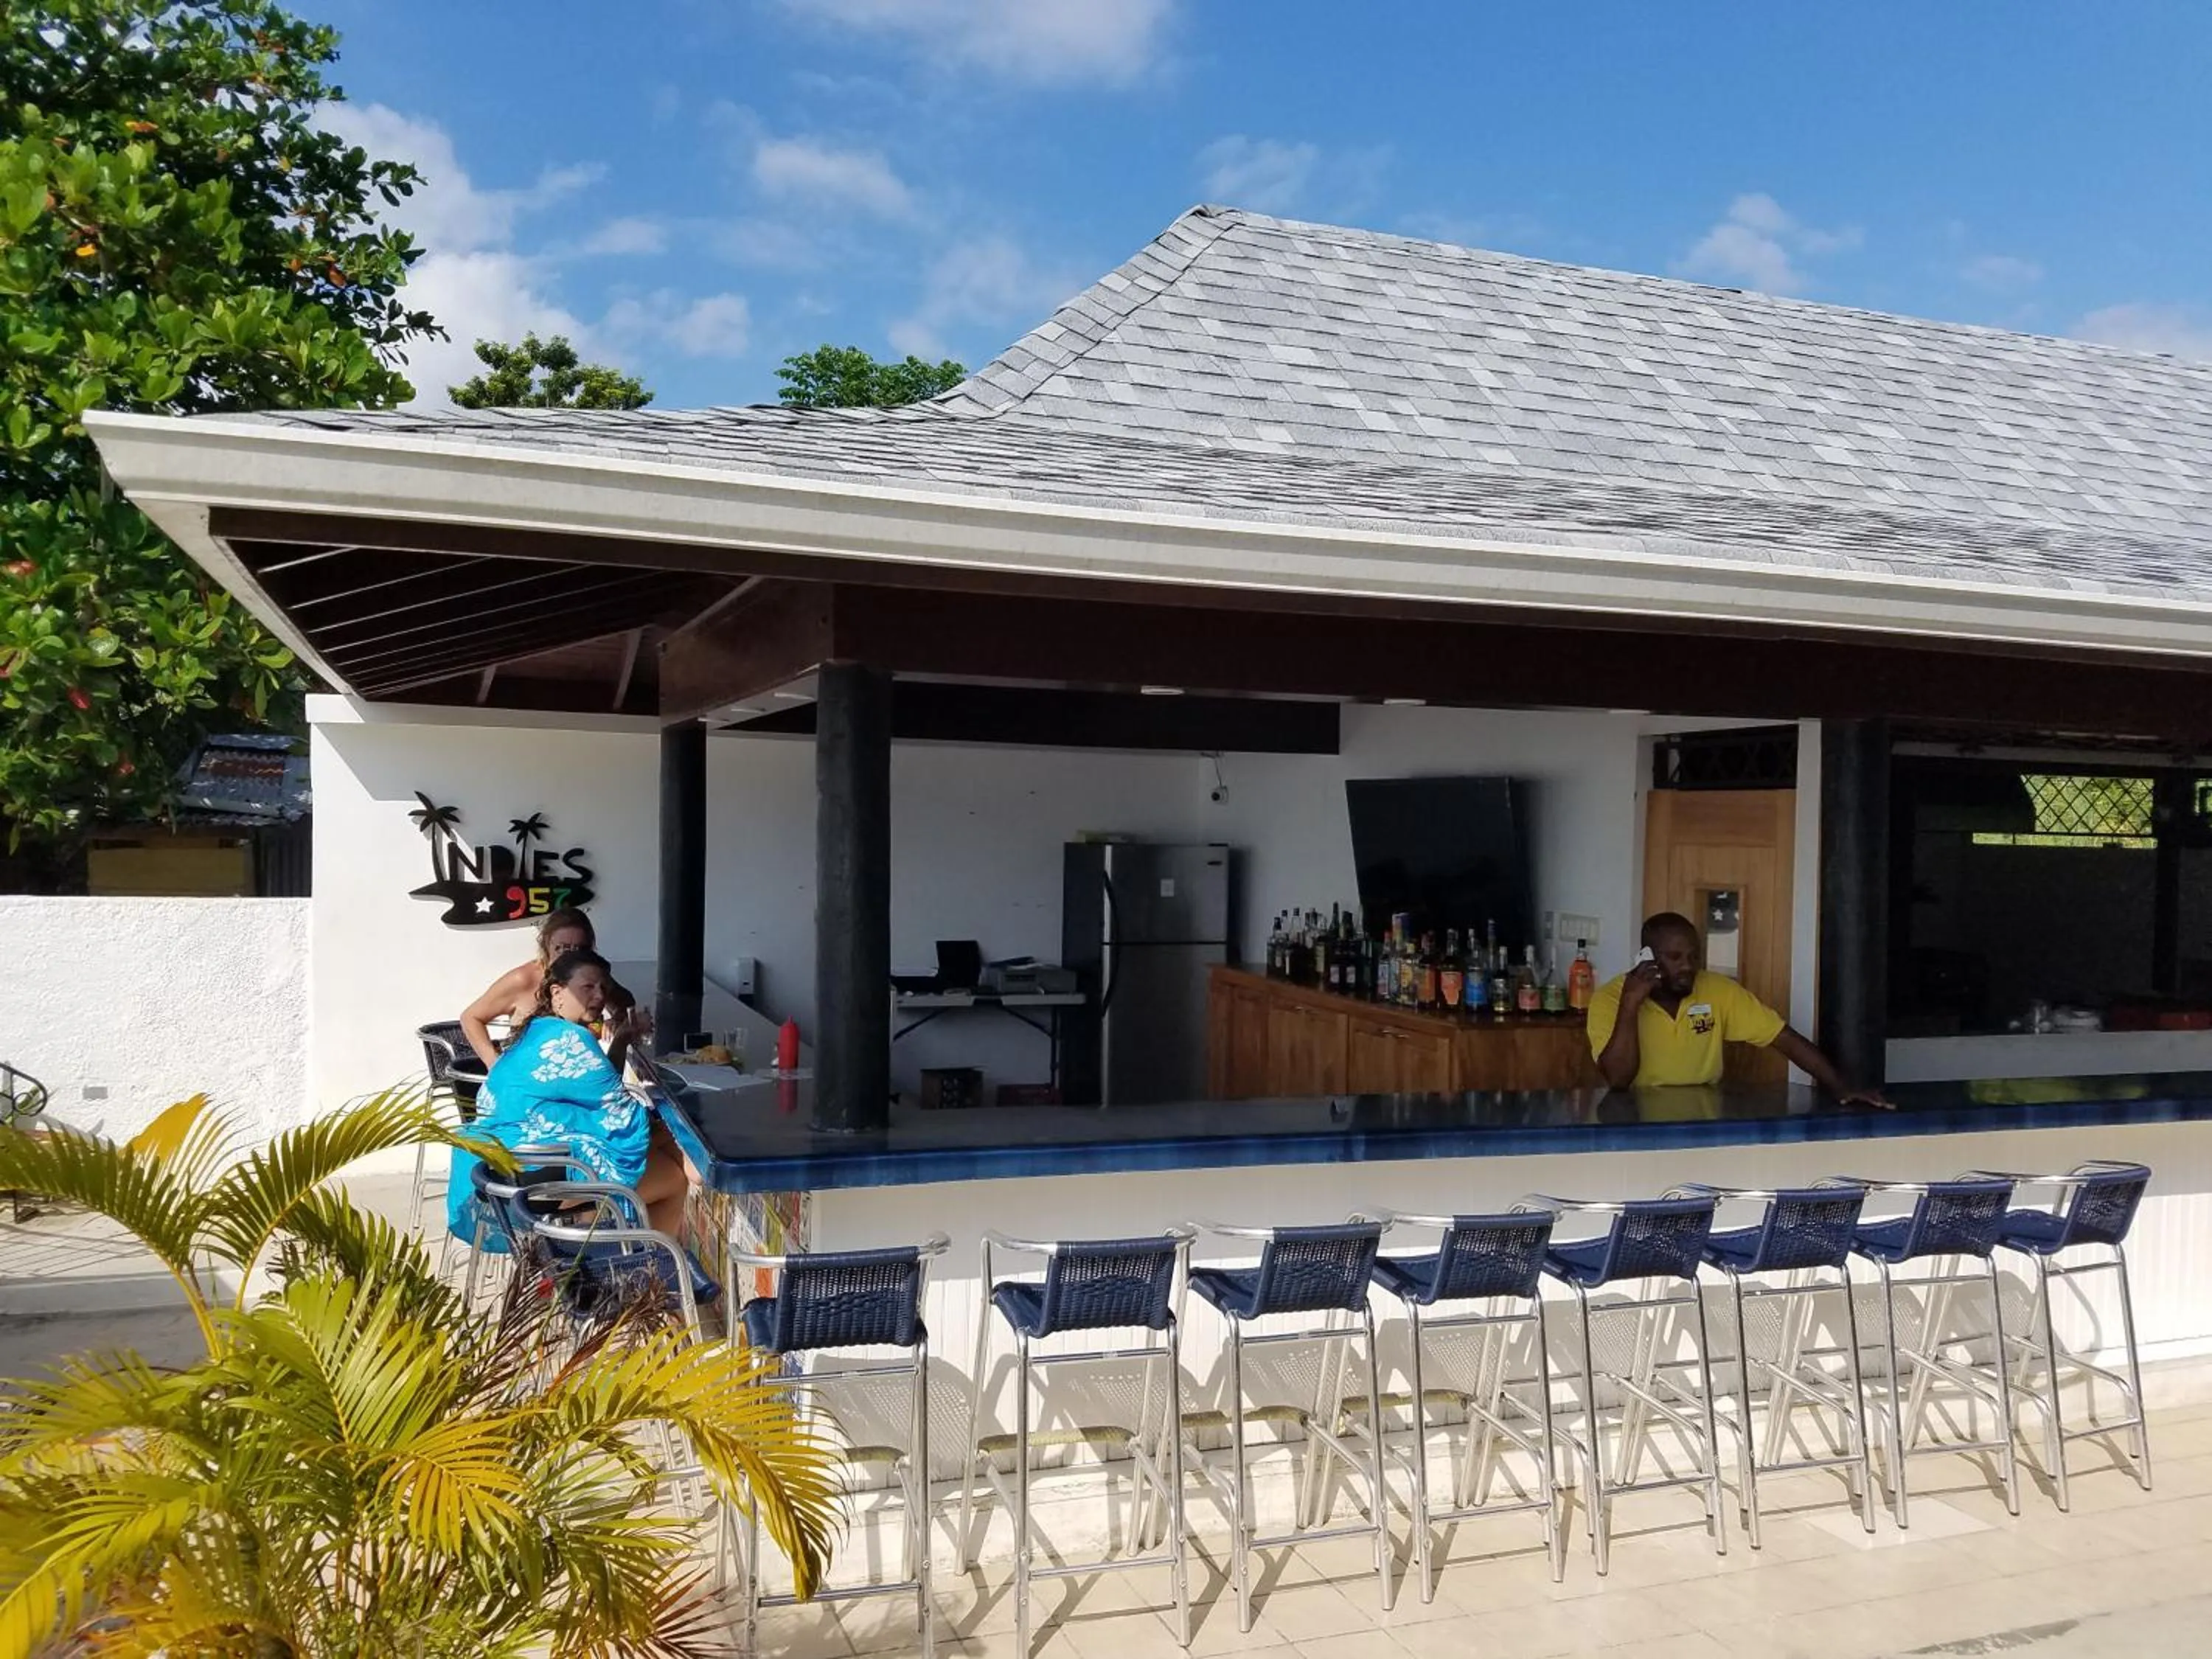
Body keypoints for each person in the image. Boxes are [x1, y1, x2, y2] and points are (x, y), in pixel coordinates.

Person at [446, 947, 692, 1239]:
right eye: (587, 987)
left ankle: (623, 1260)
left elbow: (598, 1093)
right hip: (537, 1174)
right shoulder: (572, 1039)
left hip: (500, 1166)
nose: (599, 996)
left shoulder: (536, 1030)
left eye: (603, 988)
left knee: (660, 1147)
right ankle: (642, 1270)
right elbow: (620, 1116)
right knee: (675, 1179)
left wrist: (622, 1039)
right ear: (557, 994)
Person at [1587, 912, 1888, 1105]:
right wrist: (1630, 1005)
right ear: (1647, 957)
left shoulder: (1717, 990)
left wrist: (1841, 1087)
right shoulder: (1610, 999)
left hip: (1704, 1112)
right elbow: (1617, 1079)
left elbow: (1781, 1036)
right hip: (1634, 1113)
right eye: (1675, 957)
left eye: (1694, 956)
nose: (1687, 967)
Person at [460, 907, 642, 1068]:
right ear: (546, 945)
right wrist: (494, 1066)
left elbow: (626, 1004)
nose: (570, 956)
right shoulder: (524, 979)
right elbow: (471, 1017)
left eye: (579, 949)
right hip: (529, 1083)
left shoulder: (591, 979)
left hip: (580, 1079)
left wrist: (613, 1022)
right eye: (562, 948)